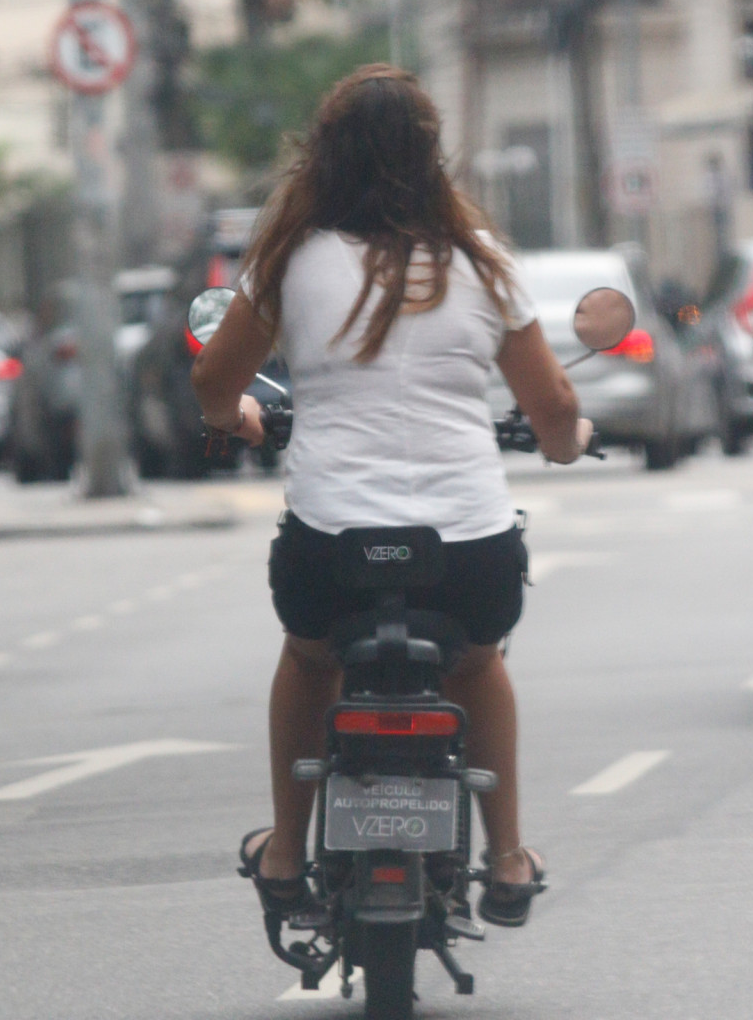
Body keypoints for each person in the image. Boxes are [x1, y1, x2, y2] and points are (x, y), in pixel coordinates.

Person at [191, 64, 592, 929]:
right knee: (478, 663)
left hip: (332, 549)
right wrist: (567, 444)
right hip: (469, 553)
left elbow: (212, 379)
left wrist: (240, 416)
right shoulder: (481, 265)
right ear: (430, 158)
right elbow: (553, 407)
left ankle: (290, 853)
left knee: (309, 657)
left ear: (325, 158)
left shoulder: (289, 261)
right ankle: (511, 858)